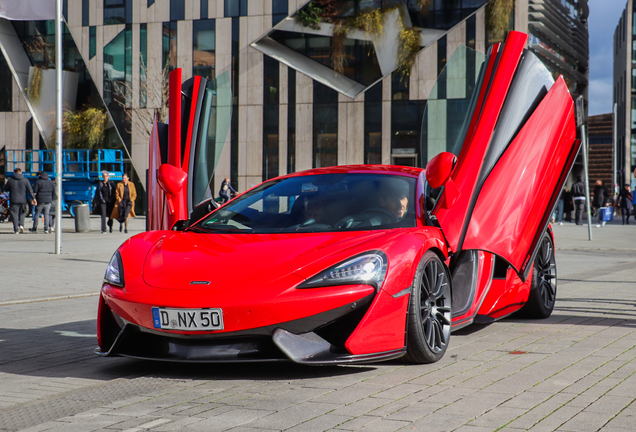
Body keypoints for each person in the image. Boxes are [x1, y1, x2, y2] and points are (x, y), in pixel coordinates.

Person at [3, 167, 36, 234]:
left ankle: (16, 229)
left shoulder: (10, 180)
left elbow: (6, 189)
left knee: (14, 214)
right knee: (22, 213)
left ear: (14, 172)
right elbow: (30, 190)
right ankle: (21, 225)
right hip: (23, 200)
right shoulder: (25, 180)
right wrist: (34, 198)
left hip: (14, 200)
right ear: (21, 172)